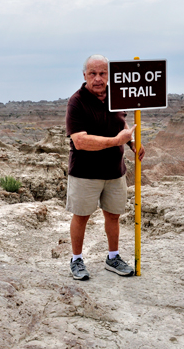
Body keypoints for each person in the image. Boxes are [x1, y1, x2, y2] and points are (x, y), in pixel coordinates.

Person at [65, 54, 145, 280]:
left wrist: (131, 141)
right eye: (93, 74)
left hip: (114, 171)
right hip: (85, 173)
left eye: (102, 74)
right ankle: (77, 259)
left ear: (109, 76)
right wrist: (116, 141)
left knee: (113, 216)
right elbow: (80, 141)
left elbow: (122, 122)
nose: (98, 79)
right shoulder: (77, 102)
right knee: (81, 216)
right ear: (84, 75)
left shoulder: (116, 96)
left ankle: (113, 257)